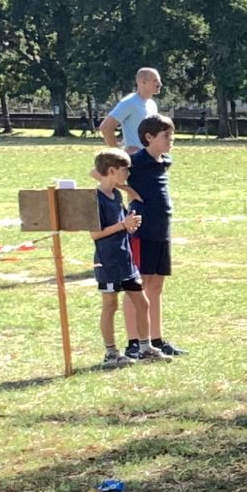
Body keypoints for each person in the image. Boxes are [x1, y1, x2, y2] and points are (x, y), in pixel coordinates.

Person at [89, 148, 162, 367]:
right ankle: (111, 353)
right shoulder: (96, 199)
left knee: (142, 302)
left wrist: (130, 226)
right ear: (111, 170)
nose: (128, 174)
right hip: (108, 262)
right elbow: (95, 234)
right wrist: (123, 225)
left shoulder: (117, 195)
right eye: (125, 170)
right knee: (110, 305)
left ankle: (145, 348)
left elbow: (121, 224)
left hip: (125, 260)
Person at [124, 115, 184, 358]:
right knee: (138, 285)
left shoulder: (165, 161)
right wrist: (129, 191)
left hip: (161, 229)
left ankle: (156, 339)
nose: (171, 140)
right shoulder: (136, 160)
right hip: (143, 230)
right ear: (149, 137)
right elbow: (99, 172)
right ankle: (134, 342)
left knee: (157, 284)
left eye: (172, 135)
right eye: (166, 136)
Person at [107, 67, 163, 149]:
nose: (160, 84)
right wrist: (118, 152)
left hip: (149, 155)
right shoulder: (129, 102)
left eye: (159, 81)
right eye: (155, 81)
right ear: (143, 82)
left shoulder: (152, 104)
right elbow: (106, 127)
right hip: (135, 156)